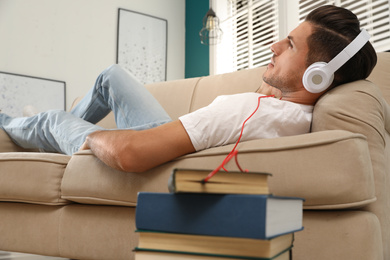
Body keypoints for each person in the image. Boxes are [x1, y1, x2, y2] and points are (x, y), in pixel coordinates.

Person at [0, 5, 377, 173]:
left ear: (318, 77)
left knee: (52, 119)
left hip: (151, 149)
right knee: (111, 76)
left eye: (291, 45)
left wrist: (88, 140)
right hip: (172, 134)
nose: (274, 45)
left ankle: (9, 125)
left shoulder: (248, 109)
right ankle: (62, 145)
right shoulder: (288, 112)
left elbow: (130, 154)